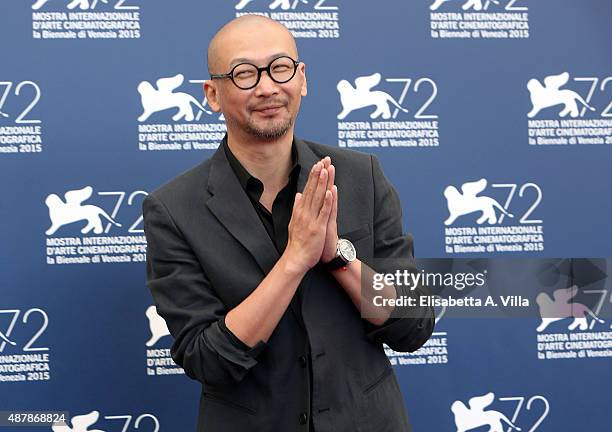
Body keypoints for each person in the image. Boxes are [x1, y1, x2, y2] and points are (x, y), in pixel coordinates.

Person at [142, 15, 434, 432]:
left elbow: (414, 325)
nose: (266, 87)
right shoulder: (172, 209)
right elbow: (209, 359)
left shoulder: (360, 177)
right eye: (244, 73)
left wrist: (337, 257)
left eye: (280, 67)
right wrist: (294, 260)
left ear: (302, 79)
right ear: (212, 94)